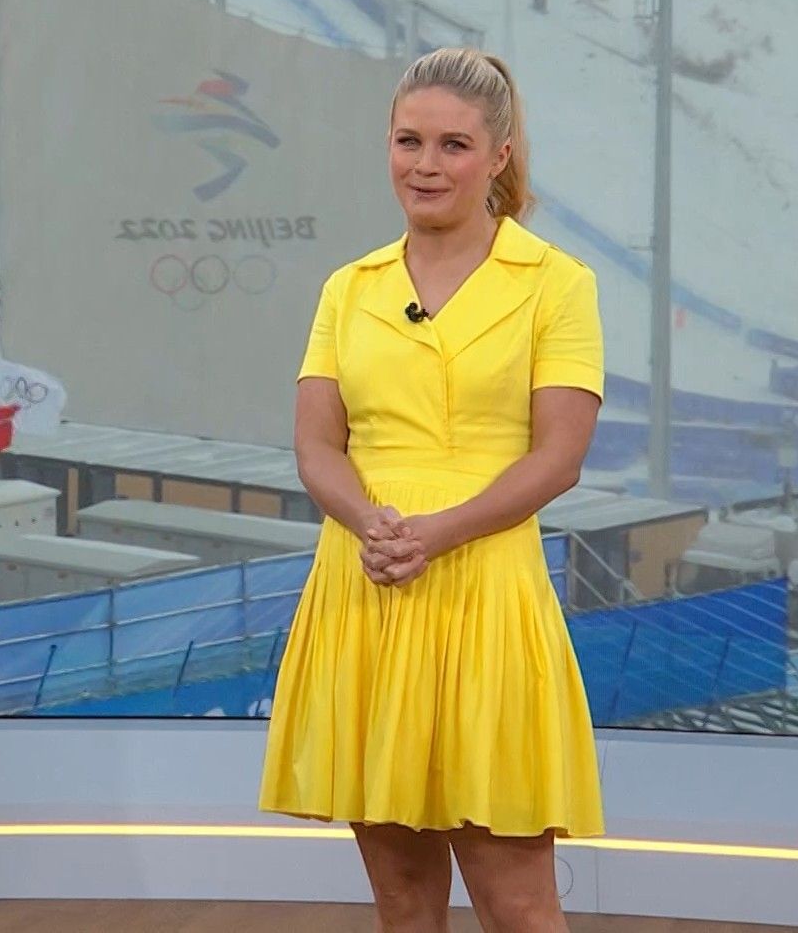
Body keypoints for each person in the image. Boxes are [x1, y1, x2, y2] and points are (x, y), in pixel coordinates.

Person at [259, 46, 605, 933]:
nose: (426, 164)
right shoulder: (350, 288)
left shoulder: (558, 285)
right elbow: (316, 445)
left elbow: (558, 457)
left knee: (518, 907)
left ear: (498, 156)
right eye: (408, 141)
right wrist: (370, 523)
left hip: (486, 594)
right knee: (403, 904)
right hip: (368, 589)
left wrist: (436, 533)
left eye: (454, 145)